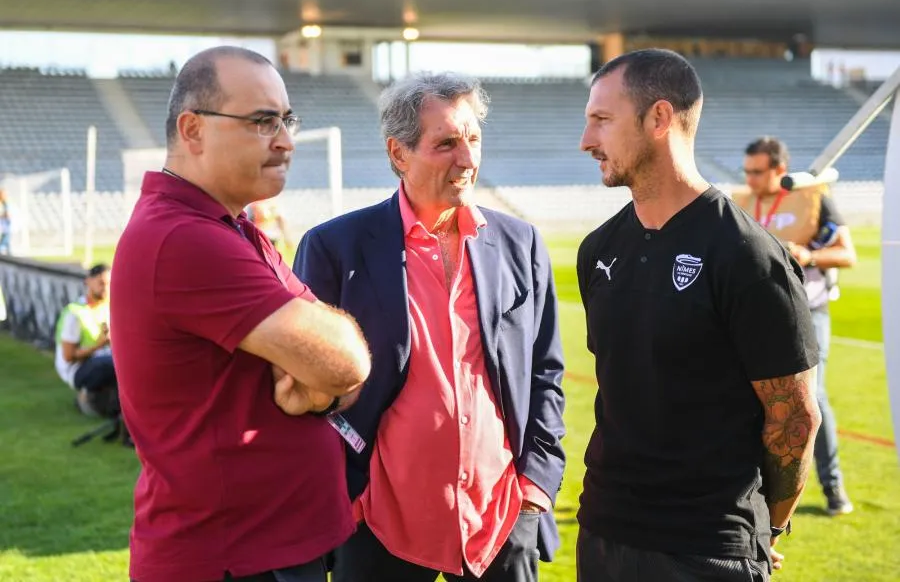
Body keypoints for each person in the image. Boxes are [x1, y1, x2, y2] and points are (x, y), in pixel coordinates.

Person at [110, 46, 372, 582]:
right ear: (193, 129)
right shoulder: (184, 237)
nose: (285, 140)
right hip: (232, 556)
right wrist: (320, 375)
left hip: (257, 549)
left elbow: (334, 371)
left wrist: (317, 384)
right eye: (261, 121)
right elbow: (345, 362)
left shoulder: (232, 226)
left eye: (286, 120)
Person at [294, 71, 566, 582]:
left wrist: (536, 485)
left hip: (499, 516)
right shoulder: (335, 248)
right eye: (446, 144)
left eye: (473, 139)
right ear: (399, 153)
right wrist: (347, 498)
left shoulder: (520, 244)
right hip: (378, 520)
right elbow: (306, 391)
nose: (467, 160)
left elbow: (546, 372)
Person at [575, 49, 821, 582]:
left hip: (707, 548)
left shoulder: (747, 255)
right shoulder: (598, 249)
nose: (586, 140)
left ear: (659, 118)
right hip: (603, 533)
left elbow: (794, 421)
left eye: (601, 120)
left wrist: (766, 529)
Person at [738, 136, 857, 516]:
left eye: (758, 172)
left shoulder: (813, 197)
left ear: (780, 170)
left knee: (811, 399)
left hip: (808, 312)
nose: (750, 179)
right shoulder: (740, 203)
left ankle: (833, 486)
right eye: (747, 172)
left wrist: (809, 254)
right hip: (754, 316)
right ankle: (751, 488)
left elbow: (847, 254)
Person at [54, 263, 118, 418]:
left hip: (101, 359)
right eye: (101, 283)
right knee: (111, 365)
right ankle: (87, 396)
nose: (106, 288)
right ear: (88, 281)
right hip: (76, 368)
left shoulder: (110, 307)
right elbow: (68, 357)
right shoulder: (75, 313)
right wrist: (100, 344)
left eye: (109, 284)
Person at [0, 187, 11, 255]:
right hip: (2, 223)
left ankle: (9, 252)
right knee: (5, 238)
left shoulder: (5, 203)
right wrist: (4, 215)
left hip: (6, 223)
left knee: (6, 238)